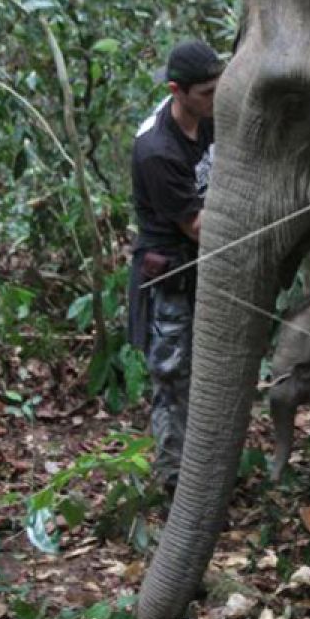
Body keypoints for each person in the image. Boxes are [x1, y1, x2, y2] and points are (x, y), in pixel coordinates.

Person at [127, 39, 223, 494]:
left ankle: (204, 468)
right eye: (205, 92)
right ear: (176, 91)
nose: (215, 97)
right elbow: (199, 226)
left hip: (205, 269)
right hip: (170, 275)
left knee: (206, 371)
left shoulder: (209, 119)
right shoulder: (157, 150)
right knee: (172, 377)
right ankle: (174, 481)